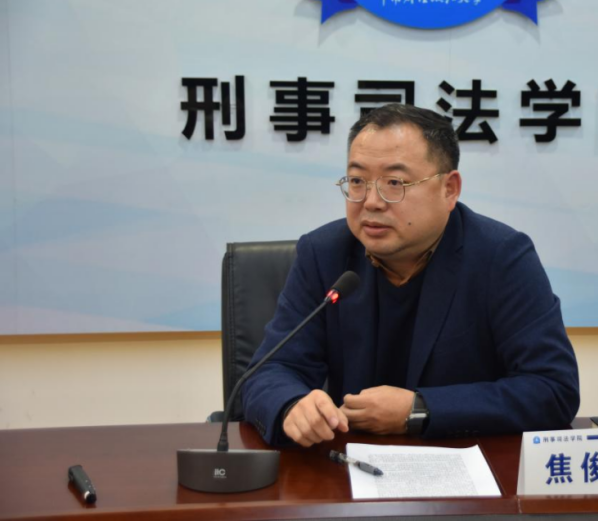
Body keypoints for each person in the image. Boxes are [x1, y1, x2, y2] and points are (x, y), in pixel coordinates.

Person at [242, 104, 580, 447]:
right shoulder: (323, 254)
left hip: (464, 464)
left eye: (394, 183)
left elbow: (552, 388)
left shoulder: (502, 257)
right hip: (347, 464)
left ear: (449, 189)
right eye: (357, 181)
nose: (371, 202)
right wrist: (291, 405)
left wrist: (420, 409)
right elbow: (268, 372)